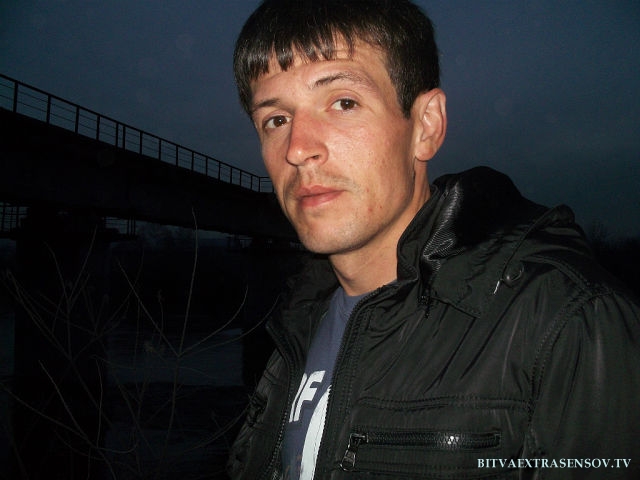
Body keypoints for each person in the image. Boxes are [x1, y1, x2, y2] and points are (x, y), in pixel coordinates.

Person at [227, 1, 640, 478]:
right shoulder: (293, 324)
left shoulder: (567, 322)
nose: (298, 149)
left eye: (343, 103)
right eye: (276, 120)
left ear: (426, 126)